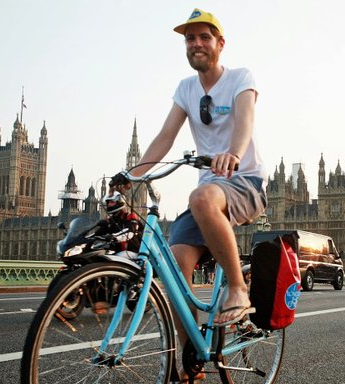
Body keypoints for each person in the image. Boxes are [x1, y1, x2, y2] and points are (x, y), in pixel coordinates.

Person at [110, 8, 267, 378]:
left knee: (201, 197)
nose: (196, 43)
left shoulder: (242, 78)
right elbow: (165, 138)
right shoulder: (185, 88)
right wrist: (131, 174)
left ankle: (238, 290)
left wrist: (234, 153)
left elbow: (245, 121)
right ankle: (191, 359)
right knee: (175, 267)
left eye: (204, 37)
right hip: (209, 193)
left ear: (219, 44)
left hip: (244, 182)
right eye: (190, 38)